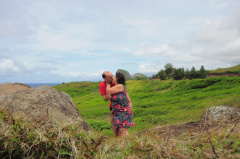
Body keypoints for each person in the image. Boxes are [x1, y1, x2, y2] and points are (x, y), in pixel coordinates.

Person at [106, 72, 135, 137]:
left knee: (123, 130)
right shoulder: (119, 87)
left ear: (117, 78)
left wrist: (107, 84)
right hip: (119, 111)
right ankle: (123, 144)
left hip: (123, 111)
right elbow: (120, 99)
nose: (113, 78)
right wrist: (113, 110)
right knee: (120, 130)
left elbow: (108, 91)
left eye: (114, 76)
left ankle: (127, 144)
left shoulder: (120, 86)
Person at [99, 71, 116, 137]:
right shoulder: (102, 85)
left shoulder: (115, 82)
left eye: (112, 76)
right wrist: (107, 97)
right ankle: (116, 136)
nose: (112, 78)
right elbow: (104, 98)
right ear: (105, 79)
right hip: (112, 105)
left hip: (120, 104)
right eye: (110, 77)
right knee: (113, 121)